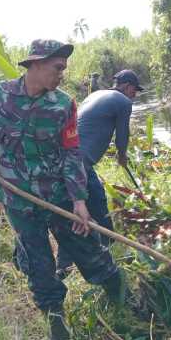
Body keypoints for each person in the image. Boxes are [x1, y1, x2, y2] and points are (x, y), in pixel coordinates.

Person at [0, 39, 125, 340]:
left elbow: (72, 153)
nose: (62, 74)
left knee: (91, 254)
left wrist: (79, 200)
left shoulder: (63, 105)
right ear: (36, 64)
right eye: (58, 68)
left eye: (64, 69)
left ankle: (123, 302)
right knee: (40, 266)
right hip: (18, 201)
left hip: (58, 197)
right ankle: (57, 325)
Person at [56, 69, 144, 278]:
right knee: (82, 211)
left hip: (72, 160)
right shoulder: (123, 102)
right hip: (78, 163)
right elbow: (122, 135)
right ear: (127, 86)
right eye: (135, 90)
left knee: (97, 199)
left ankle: (111, 247)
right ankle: (65, 266)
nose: (135, 95)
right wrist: (122, 155)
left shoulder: (96, 95)